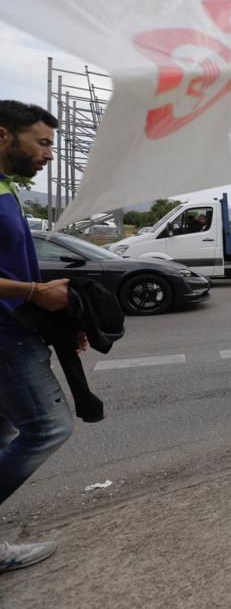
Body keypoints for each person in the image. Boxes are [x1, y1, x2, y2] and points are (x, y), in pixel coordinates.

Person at [0, 100, 75, 572]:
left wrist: (59, 316)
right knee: (49, 428)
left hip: (18, 327)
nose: (49, 154)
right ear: (3, 136)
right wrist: (33, 292)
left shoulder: (7, 189)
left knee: (4, 432)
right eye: (42, 142)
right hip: (6, 336)